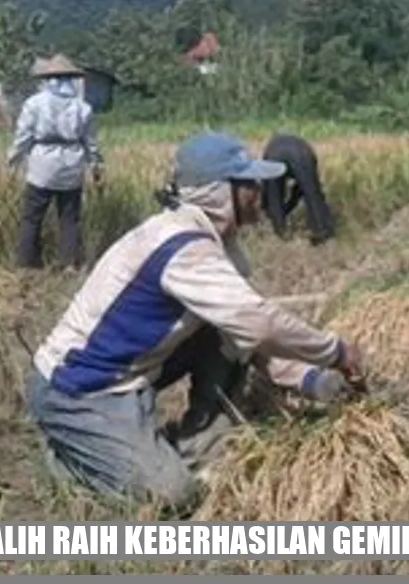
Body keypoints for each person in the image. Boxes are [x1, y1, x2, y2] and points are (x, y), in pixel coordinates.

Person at [25, 131, 367, 510]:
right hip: (80, 390)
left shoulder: (211, 240)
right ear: (222, 193)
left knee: (226, 330)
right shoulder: (183, 248)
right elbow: (260, 323)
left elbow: (246, 330)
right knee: (171, 497)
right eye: (249, 182)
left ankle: (198, 447)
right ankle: (71, 456)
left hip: (134, 373)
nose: (259, 190)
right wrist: (335, 352)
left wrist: (309, 379)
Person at [6, 54, 104, 272]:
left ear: (46, 79)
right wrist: (96, 165)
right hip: (72, 164)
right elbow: (91, 142)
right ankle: (69, 263)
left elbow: (23, 135)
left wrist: (13, 159)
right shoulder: (83, 107)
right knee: (69, 218)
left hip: (43, 164)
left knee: (32, 217)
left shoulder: (34, 104)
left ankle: (26, 262)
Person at [261, 132, 335, 245]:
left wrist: (282, 209)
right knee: (312, 194)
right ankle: (321, 231)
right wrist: (292, 202)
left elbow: (267, 191)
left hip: (273, 154)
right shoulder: (304, 148)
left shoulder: (271, 146)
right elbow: (305, 189)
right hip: (301, 154)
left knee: (274, 196)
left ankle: (280, 231)